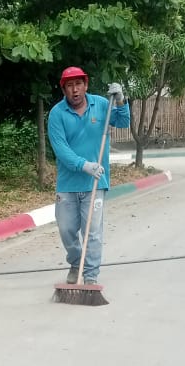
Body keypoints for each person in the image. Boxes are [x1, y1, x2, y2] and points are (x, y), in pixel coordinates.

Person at [48, 66, 130, 284]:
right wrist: (84, 165)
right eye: (70, 86)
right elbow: (61, 149)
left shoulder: (101, 105)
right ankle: (77, 262)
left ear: (85, 85)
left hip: (95, 182)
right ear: (64, 89)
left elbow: (123, 122)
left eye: (78, 84)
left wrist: (120, 100)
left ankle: (91, 276)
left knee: (92, 232)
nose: (75, 90)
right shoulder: (57, 114)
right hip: (67, 184)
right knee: (66, 229)